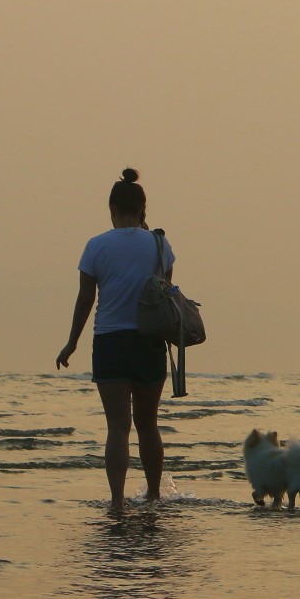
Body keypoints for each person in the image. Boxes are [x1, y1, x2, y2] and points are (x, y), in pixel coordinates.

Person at [57, 168, 170, 512]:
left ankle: (118, 501)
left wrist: (71, 341)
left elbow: (85, 299)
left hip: (109, 342)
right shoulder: (159, 244)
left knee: (117, 427)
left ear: (111, 207)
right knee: (148, 424)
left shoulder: (96, 245)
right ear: (142, 208)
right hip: (148, 341)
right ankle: (153, 494)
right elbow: (162, 292)